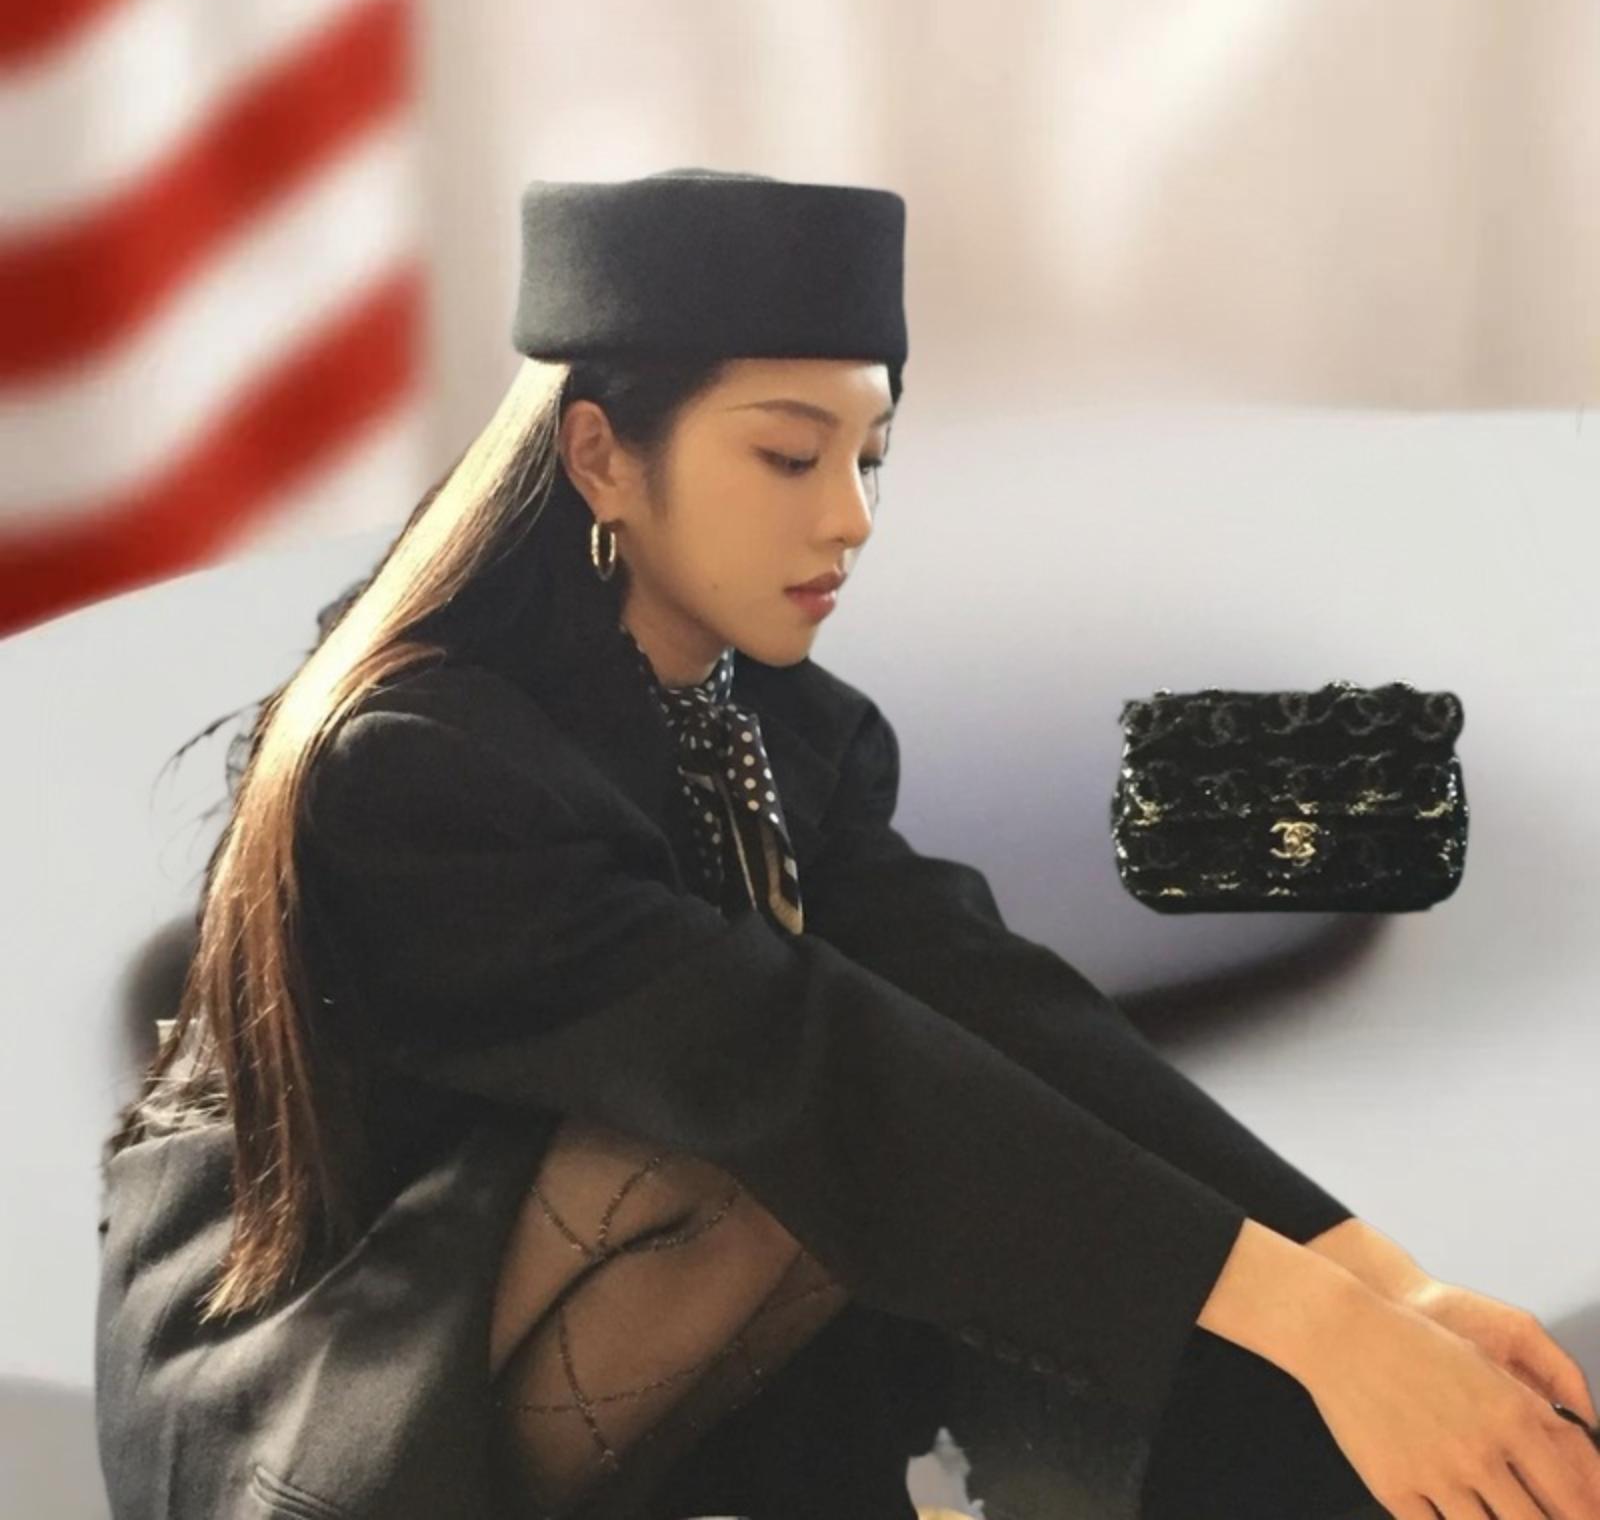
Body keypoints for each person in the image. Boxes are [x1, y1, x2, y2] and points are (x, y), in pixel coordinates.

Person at [93, 168, 1600, 1520]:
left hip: (605, 1306)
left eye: (872, 456)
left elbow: (997, 1001)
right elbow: (819, 1078)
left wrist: (1377, 1282)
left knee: (987, 1144)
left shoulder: (776, 726)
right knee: (829, 1151)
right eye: (789, 457)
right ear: (601, 457)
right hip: (333, 1391)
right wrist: (1321, 1332)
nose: (855, 516)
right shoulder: (418, 769)